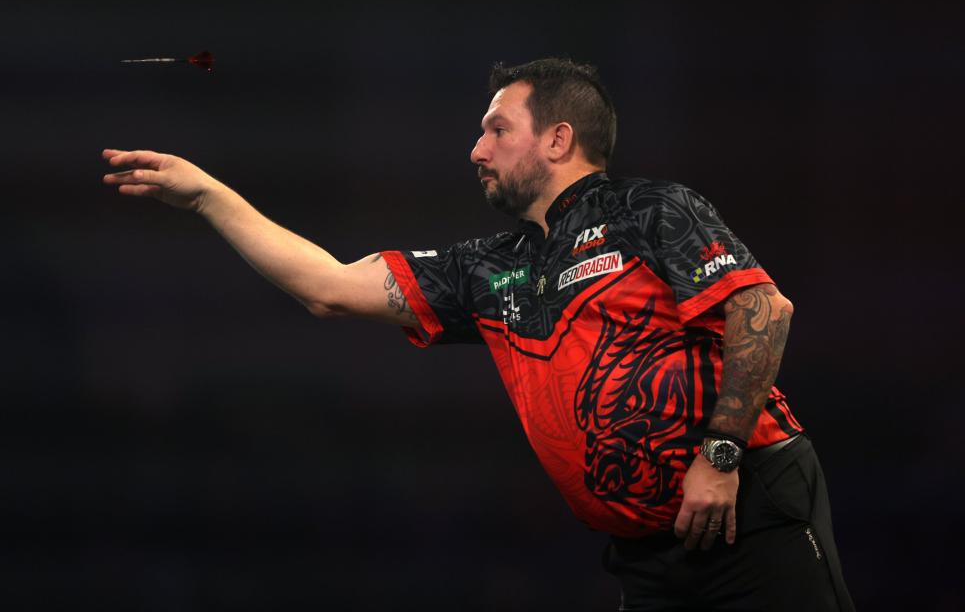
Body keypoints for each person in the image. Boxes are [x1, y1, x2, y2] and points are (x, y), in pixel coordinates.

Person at [102, 58, 854, 611]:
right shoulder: (490, 269)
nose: (476, 150)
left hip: (745, 509)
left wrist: (719, 456)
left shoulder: (653, 210)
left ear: (558, 139)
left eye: (497, 129)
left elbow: (762, 310)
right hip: (646, 559)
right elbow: (327, 287)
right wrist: (207, 196)